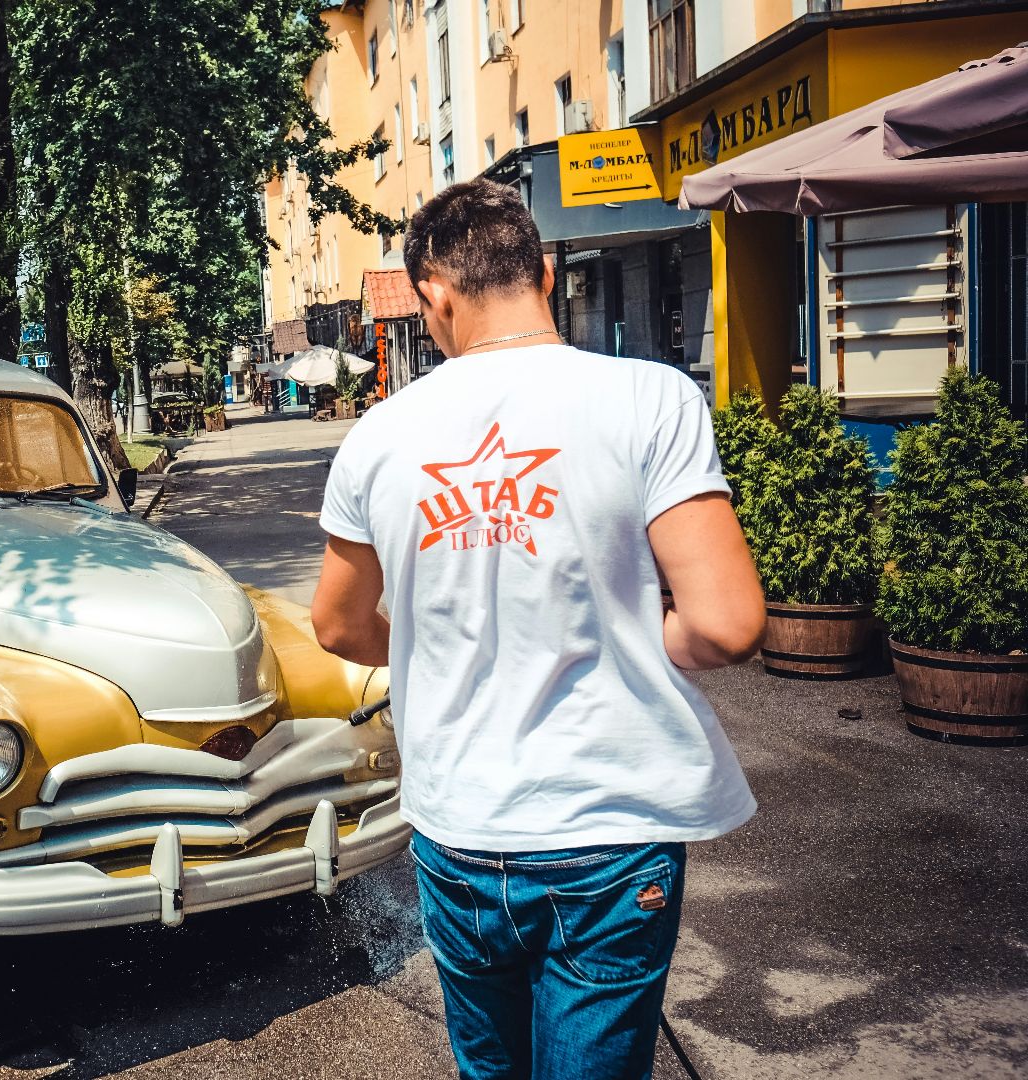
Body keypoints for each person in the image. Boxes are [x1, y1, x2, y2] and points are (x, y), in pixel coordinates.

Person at [310, 179, 765, 1080]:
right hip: (612, 829)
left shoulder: (379, 437)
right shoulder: (653, 400)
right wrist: (647, 640)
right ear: (546, 273)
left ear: (432, 295)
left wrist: (422, 645)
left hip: (462, 823)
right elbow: (726, 624)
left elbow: (336, 626)